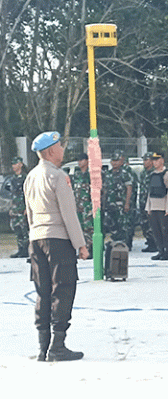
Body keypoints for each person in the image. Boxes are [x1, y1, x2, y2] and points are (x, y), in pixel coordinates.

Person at [25, 131, 89, 362]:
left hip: (37, 239)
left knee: (43, 291)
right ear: (51, 151)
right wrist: (80, 244)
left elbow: (30, 213)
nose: (63, 149)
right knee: (62, 289)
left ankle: (43, 347)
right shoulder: (58, 176)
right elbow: (68, 214)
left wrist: (34, 236)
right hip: (58, 240)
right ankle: (58, 345)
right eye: (60, 146)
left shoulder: (30, 177)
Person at [145, 152, 168, 261]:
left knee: (166, 231)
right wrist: (148, 207)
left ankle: (167, 252)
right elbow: (150, 192)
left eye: (157, 160)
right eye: (153, 160)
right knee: (156, 231)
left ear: (162, 160)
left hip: (164, 208)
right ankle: (160, 250)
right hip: (154, 207)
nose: (155, 162)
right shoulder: (153, 174)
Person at [102, 151, 133, 246]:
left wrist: (127, 203)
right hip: (110, 205)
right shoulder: (108, 174)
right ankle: (115, 242)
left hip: (121, 204)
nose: (114, 163)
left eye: (116, 160)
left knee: (122, 225)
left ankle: (124, 243)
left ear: (121, 162)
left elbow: (129, 188)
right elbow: (105, 189)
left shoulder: (125, 173)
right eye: (113, 161)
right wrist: (103, 204)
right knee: (111, 224)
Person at [71, 153, 93, 258]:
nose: (79, 162)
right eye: (78, 160)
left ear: (87, 161)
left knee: (89, 228)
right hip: (78, 206)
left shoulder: (92, 174)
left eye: (81, 160)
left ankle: (91, 250)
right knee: (80, 229)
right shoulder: (77, 175)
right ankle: (83, 250)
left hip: (89, 206)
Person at [8, 156, 30, 257]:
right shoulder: (12, 179)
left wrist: (27, 207)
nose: (13, 166)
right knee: (17, 229)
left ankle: (26, 250)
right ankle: (20, 249)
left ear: (20, 164)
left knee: (24, 229)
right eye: (12, 164)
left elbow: (29, 193)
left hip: (23, 208)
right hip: (15, 208)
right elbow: (12, 195)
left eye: (15, 163)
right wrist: (11, 208)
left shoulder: (26, 177)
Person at [139, 152, 158, 252]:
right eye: (144, 160)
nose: (144, 162)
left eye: (146, 160)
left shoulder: (154, 173)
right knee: (144, 223)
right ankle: (149, 242)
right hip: (143, 201)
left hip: (151, 202)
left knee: (151, 223)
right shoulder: (143, 173)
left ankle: (154, 244)